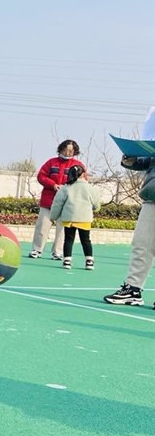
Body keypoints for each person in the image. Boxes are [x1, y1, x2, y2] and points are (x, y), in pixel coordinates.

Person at [103, 107, 155, 308]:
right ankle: (133, 290)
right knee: (141, 244)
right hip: (152, 196)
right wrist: (132, 160)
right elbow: (148, 161)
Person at [28, 140, 84, 260]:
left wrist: (68, 187)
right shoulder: (51, 162)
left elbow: (82, 181)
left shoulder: (78, 165)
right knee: (42, 226)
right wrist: (53, 185)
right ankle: (37, 249)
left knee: (62, 230)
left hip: (66, 203)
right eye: (66, 150)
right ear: (61, 149)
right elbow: (41, 176)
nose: (68, 153)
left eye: (71, 151)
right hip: (48, 201)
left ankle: (57, 252)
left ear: (75, 152)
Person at [49, 165, 102, 270]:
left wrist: (53, 216)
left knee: (68, 240)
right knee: (86, 240)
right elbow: (96, 204)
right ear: (83, 174)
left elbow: (57, 203)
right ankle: (89, 261)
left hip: (69, 218)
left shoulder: (65, 188)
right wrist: (95, 209)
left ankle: (67, 261)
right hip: (84, 218)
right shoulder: (90, 188)